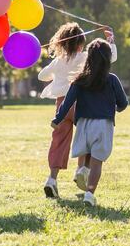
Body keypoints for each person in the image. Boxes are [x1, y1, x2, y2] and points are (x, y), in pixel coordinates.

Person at [39, 22, 117, 198]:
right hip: (81, 104)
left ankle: (52, 179)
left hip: (61, 105)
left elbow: (41, 75)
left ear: (62, 43)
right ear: (81, 44)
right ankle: (82, 170)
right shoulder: (84, 58)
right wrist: (110, 39)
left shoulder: (58, 61)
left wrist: (57, 72)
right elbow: (110, 57)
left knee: (59, 141)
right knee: (88, 137)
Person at [51, 38, 128, 206]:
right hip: (103, 125)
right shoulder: (112, 79)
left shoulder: (79, 80)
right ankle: (89, 194)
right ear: (108, 59)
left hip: (84, 124)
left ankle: (82, 170)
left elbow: (67, 102)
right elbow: (123, 103)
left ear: (89, 58)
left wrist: (57, 119)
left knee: (87, 152)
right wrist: (115, 108)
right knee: (97, 161)